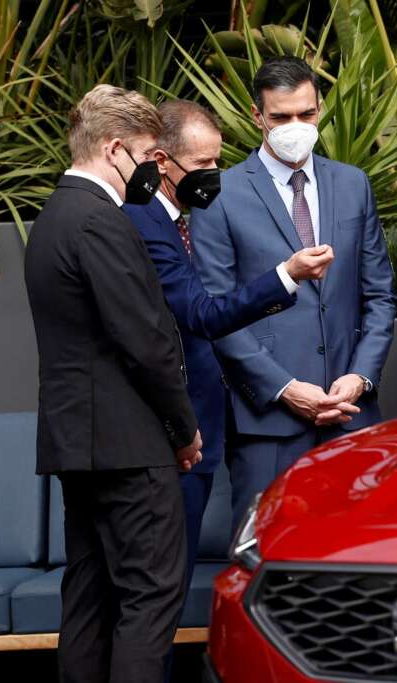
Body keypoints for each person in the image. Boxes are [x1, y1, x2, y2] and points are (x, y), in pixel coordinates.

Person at [120, 99, 334, 666]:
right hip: (174, 438)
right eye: (203, 163)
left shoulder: (178, 218)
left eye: (218, 160)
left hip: (203, 433)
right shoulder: (143, 221)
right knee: (154, 600)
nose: (214, 175)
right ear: (162, 161)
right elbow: (203, 316)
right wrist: (287, 274)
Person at [24, 84, 200, 683]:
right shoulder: (101, 220)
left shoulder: (52, 217)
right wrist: (184, 428)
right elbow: (146, 341)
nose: (153, 172)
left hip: (78, 446)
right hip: (128, 447)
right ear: (114, 148)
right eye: (150, 156)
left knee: (89, 601)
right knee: (149, 603)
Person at [191, 56, 397, 530]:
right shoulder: (219, 195)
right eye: (281, 117)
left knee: (359, 560)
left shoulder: (352, 183)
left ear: (320, 107)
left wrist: (361, 377)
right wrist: (285, 389)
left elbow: (380, 295)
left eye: (306, 114)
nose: (296, 126)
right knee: (267, 557)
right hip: (269, 426)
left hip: (352, 414)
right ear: (256, 115)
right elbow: (215, 313)